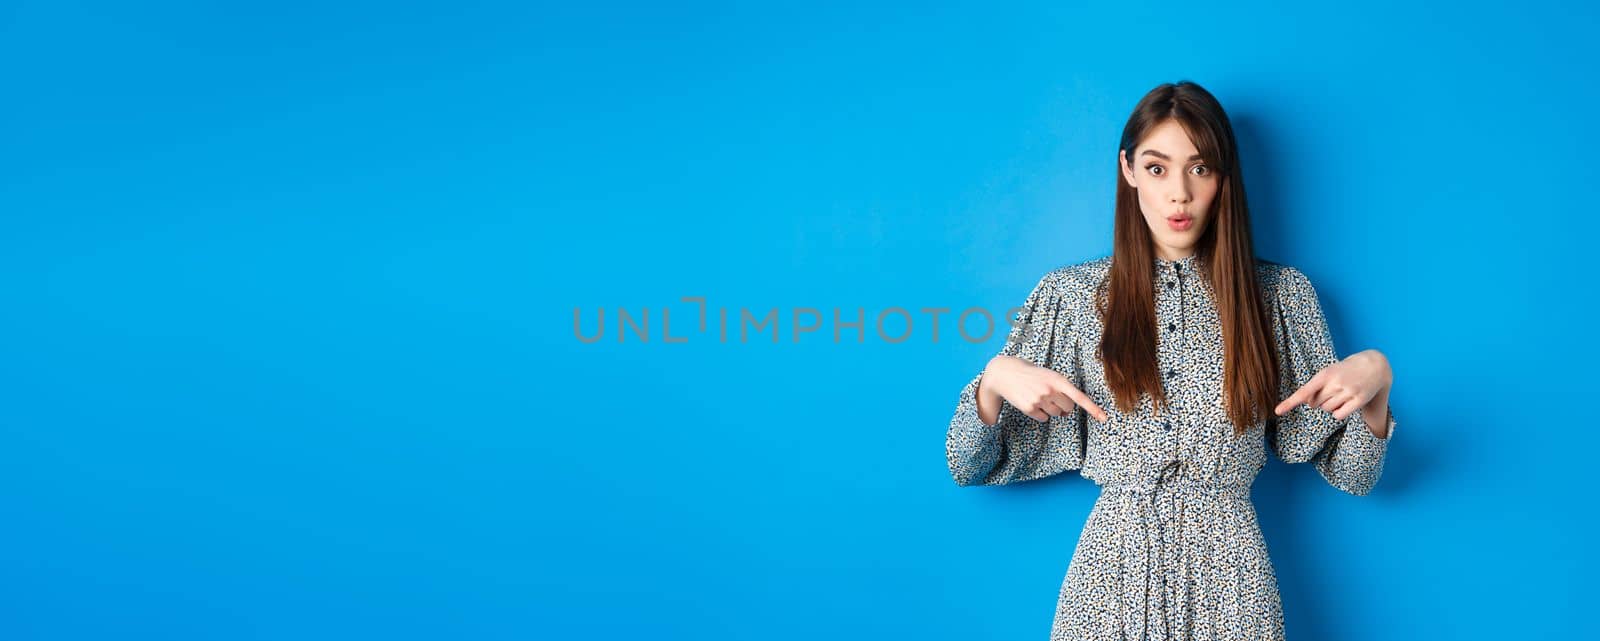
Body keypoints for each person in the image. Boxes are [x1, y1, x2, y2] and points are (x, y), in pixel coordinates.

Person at [944, 81, 1397, 641]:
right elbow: (967, 466)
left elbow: (1354, 475)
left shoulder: (1279, 296)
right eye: (1157, 168)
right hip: (1110, 582)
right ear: (1128, 169)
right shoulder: (1072, 296)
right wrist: (991, 381)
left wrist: (1377, 378)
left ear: (1223, 179)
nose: (1178, 194)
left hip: (1234, 582)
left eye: (1200, 168)